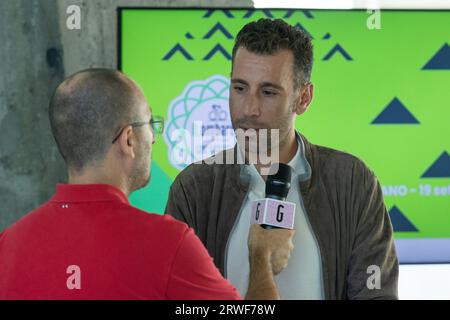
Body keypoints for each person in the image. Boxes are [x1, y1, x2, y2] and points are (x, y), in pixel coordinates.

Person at [0, 69, 293, 299]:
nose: (153, 137)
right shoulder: (168, 244)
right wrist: (262, 259)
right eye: (149, 124)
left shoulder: (8, 245)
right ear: (128, 139)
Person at [166, 19, 399, 300]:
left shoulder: (352, 182)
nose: (249, 109)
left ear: (304, 98)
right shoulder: (194, 188)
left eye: (268, 92)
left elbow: (376, 295)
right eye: (240, 88)